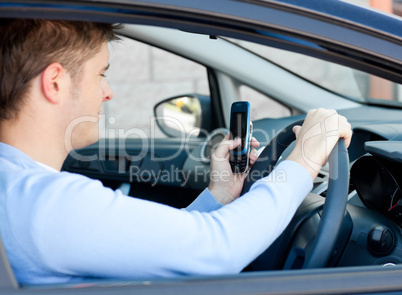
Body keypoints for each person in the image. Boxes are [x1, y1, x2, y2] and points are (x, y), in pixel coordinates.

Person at [0, 19, 352, 285]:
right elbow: (218, 250)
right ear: (55, 82)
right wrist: (304, 159)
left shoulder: (18, 188)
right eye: (100, 74)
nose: (107, 93)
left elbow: (169, 246)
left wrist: (218, 195)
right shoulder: (47, 204)